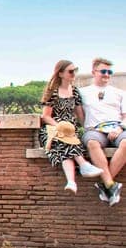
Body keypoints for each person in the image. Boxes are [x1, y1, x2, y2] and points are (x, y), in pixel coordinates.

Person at [38, 60, 104, 194]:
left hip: (71, 130)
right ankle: (83, 164)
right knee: (63, 141)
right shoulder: (53, 92)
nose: (74, 73)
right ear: (60, 73)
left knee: (66, 145)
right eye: (70, 71)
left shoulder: (74, 91)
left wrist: (87, 128)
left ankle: (71, 182)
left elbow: (80, 114)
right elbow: (46, 116)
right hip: (53, 129)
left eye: (75, 70)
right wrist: (60, 126)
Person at [80, 57, 125, 205]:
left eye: (109, 72)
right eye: (103, 71)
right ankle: (110, 185)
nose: (107, 74)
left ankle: (106, 185)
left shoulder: (120, 93)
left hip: (117, 128)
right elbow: (79, 114)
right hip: (95, 130)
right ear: (94, 72)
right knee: (92, 142)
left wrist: (119, 128)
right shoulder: (82, 92)